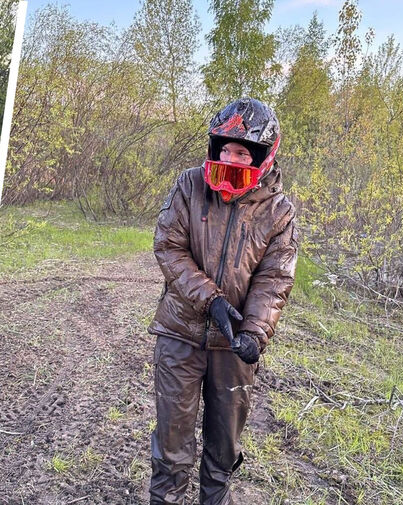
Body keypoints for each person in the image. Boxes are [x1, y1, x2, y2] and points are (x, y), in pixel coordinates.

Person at [146, 97, 298, 504]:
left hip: (233, 348)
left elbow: (275, 276)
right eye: (225, 148)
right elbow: (168, 247)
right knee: (172, 445)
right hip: (180, 331)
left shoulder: (279, 211)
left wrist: (255, 330)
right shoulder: (189, 184)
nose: (231, 157)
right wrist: (209, 299)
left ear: (263, 156)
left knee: (224, 449)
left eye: (242, 151)